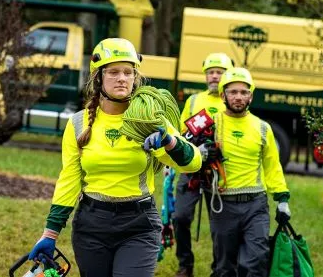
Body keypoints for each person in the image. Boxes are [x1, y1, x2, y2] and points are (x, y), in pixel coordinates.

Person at [26, 38, 202, 277]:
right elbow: (69, 180)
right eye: (114, 72)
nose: (122, 78)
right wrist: (50, 233)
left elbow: (193, 163)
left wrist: (168, 142)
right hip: (91, 225)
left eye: (128, 72)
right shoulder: (78, 123)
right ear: (98, 77)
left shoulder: (150, 120)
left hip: (139, 225)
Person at [205, 67, 291, 277]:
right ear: (223, 94)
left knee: (256, 261)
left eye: (244, 92)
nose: (238, 97)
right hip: (223, 205)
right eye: (233, 92)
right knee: (224, 266)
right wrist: (203, 152)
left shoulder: (263, 128)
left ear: (251, 96)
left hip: (256, 205)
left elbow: (272, 166)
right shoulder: (210, 124)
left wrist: (282, 200)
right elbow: (186, 155)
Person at [173, 52, 233, 277]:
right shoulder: (194, 101)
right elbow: (181, 134)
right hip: (192, 169)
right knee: (180, 217)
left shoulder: (232, 101)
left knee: (220, 225)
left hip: (219, 172)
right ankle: (185, 264)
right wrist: (193, 148)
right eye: (211, 73)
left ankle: (219, 269)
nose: (215, 76)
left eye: (219, 72)